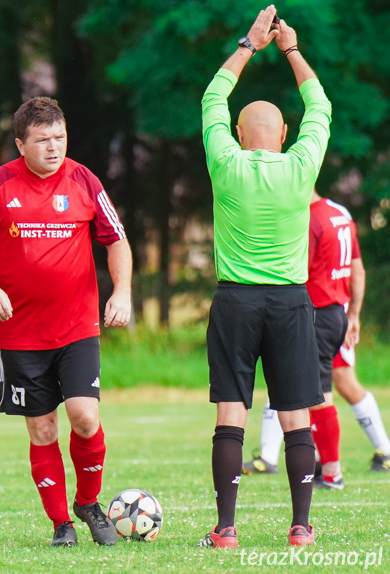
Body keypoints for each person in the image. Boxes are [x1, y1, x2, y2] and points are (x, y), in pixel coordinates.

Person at [0, 96, 133, 547]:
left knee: (85, 418)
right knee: (42, 428)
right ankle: (61, 525)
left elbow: (117, 240)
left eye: (60, 137)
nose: (54, 148)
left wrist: (123, 291)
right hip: (19, 333)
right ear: (20, 144)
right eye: (42, 140)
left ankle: (88, 503)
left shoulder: (84, 180)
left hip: (76, 326)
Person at [199, 6, 332, 549]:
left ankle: (227, 529)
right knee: (296, 414)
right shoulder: (302, 166)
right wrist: (291, 50)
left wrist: (250, 46)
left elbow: (212, 95)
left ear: (236, 132)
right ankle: (300, 527)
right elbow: (320, 104)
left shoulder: (224, 162)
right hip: (290, 304)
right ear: (283, 133)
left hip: (235, 302)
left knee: (232, 412)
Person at [243, 193, 390, 485]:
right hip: (338, 311)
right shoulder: (340, 213)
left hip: (315, 313)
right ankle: (282, 459)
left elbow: (295, 270)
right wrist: (355, 314)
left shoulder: (308, 217)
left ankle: (338, 469)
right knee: (299, 382)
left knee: (328, 389)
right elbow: (357, 269)